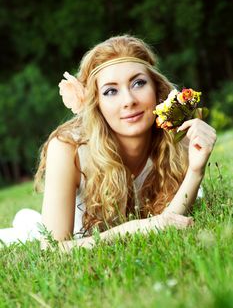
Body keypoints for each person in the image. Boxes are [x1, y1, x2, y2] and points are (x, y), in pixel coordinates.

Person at [0, 35, 216, 250]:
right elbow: (53, 249)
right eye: (110, 91)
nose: (129, 100)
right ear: (97, 103)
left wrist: (196, 171)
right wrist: (139, 227)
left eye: (138, 83)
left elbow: (171, 222)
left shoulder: (177, 136)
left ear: (156, 89)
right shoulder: (68, 149)